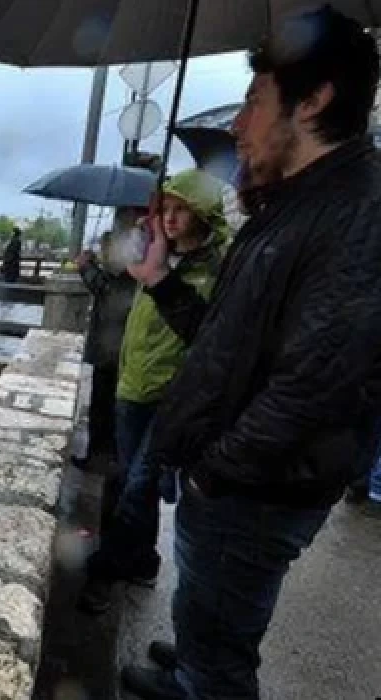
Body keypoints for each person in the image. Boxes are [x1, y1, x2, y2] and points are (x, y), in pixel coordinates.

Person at [119, 8, 381, 700]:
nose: (238, 124)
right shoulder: (292, 206)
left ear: (314, 100)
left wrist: (212, 472)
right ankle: (190, 665)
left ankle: (200, 676)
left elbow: (313, 387)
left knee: (223, 662)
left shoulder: (358, 215)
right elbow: (224, 339)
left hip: (253, 492)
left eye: (254, 101)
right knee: (208, 613)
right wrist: (161, 280)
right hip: (240, 484)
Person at [76, 169, 231, 616]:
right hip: (133, 386)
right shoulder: (150, 254)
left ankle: (105, 572)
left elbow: (208, 335)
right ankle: (143, 559)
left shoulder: (217, 270)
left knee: (138, 482)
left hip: (172, 396)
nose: (171, 219)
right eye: (167, 209)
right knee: (131, 479)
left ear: (204, 215)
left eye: (183, 210)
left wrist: (155, 274)